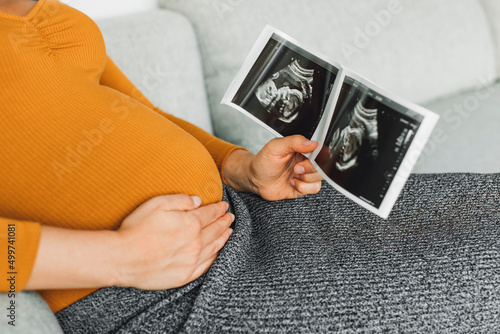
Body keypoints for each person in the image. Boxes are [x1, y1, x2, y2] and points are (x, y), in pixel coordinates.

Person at [2, 1, 500, 333]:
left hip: (244, 216)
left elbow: (134, 113)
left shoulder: (47, 14)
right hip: (165, 298)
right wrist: (122, 256)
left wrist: (239, 166)